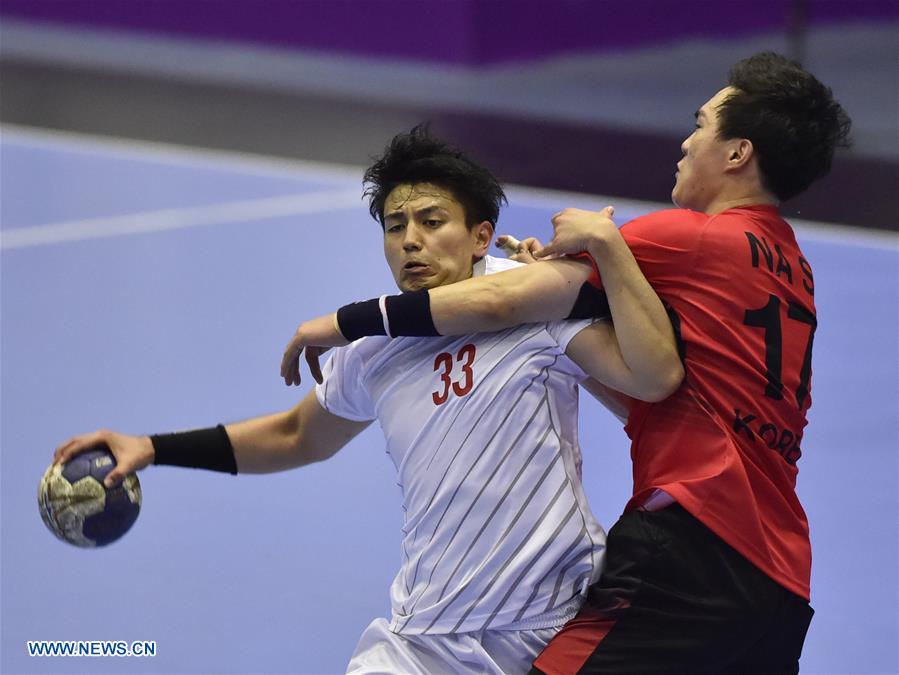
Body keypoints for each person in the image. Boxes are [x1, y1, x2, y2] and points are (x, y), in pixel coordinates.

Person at [281, 52, 852, 673]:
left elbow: (501, 299)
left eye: (700, 125)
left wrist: (343, 322)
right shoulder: (793, 268)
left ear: (737, 153)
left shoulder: (689, 236)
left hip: (689, 544)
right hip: (779, 576)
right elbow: (654, 371)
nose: (686, 142)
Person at [55, 127, 683, 674]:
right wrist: (152, 448)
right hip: (423, 636)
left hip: (546, 628)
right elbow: (296, 436)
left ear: (480, 237)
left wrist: (584, 286)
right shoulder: (377, 345)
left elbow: (645, 389)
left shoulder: (531, 299)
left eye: (431, 222)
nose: (410, 240)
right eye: (395, 226)